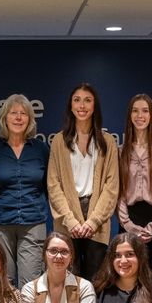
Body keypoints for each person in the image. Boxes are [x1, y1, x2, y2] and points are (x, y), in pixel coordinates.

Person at [47, 83, 119, 280]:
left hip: (97, 219)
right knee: (68, 279)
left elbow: (111, 187)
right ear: (70, 106)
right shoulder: (59, 141)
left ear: (94, 106)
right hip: (67, 219)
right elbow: (54, 186)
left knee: (95, 280)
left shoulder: (108, 142)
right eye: (77, 100)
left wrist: (93, 221)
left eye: (88, 100)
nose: (82, 105)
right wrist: (71, 221)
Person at [0, 94, 50, 287]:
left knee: (31, 284)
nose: (18, 118)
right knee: (4, 283)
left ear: (29, 119)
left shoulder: (41, 150)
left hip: (33, 223)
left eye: (23, 114)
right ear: (5, 118)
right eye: (13, 113)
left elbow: (49, 187)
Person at [117, 94, 152, 279]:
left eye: (144, 110)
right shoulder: (120, 150)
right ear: (129, 116)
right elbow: (116, 190)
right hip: (130, 219)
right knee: (129, 279)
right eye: (135, 111)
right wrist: (128, 225)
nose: (139, 115)